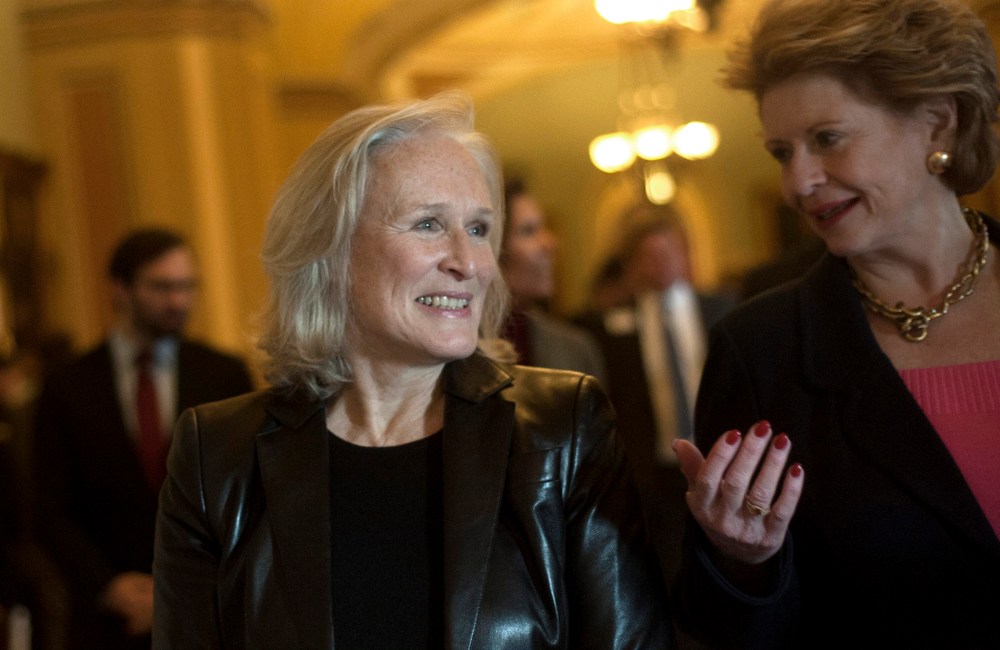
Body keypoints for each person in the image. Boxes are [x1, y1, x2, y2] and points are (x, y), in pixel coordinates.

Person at [152, 92, 670, 648]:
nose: (469, 263)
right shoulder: (215, 456)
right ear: (330, 249)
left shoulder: (564, 430)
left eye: (477, 229)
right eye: (428, 224)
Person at [671, 0, 1000, 647]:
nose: (798, 181)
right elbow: (724, 631)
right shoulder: (761, 349)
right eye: (780, 151)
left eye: (827, 139)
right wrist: (745, 562)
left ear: (936, 123)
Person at [32, 228, 254, 649]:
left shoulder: (224, 375)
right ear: (120, 289)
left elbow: (247, 494)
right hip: (106, 620)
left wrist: (182, 590)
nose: (178, 301)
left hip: (207, 614)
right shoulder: (66, 386)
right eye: (162, 287)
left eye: (187, 287)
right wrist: (111, 586)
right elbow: (48, 510)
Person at [575, 206, 735, 588]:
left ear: (684, 254)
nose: (661, 264)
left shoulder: (722, 309)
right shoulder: (608, 324)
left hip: (718, 460)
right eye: (650, 256)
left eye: (668, 253)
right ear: (633, 264)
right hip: (651, 472)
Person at [499, 176, 607, 384]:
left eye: (544, 228)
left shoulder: (574, 347)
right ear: (494, 246)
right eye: (528, 231)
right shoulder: (455, 347)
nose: (550, 243)